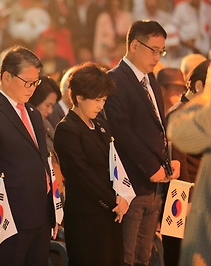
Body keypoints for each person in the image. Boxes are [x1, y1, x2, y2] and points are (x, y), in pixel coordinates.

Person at [103, 20, 180, 266]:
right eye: (153, 50)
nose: (158, 57)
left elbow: (159, 127)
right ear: (134, 45)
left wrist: (168, 162)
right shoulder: (115, 79)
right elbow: (121, 131)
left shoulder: (151, 79)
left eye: (162, 51)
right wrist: (150, 168)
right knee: (126, 257)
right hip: (131, 185)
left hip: (155, 184)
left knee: (143, 258)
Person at [0, 46, 56, 265]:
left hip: (39, 214)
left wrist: (52, 209)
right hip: (8, 218)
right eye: (27, 82)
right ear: (6, 77)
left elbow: (42, 162)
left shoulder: (32, 112)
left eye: (35, 82)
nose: (32, 88)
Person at [53, 62, 128, 265]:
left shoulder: (101, 124)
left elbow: (114, 163)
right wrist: (113, 202)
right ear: (79, 98)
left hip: (111, 213)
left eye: (103, 100)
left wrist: (123, 195)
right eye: (96, 100)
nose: (101, 105)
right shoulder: (67, 129)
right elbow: (82, 174)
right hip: (87, 215)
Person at [166, 62, 211, 266]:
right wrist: (188, 199)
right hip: (186, 196)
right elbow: (178, 158)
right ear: (200, 85)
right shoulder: (182, 112)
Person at [29, 76, 65, 199]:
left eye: (52, 106)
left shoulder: (46, 124)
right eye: (47, 105)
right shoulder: (28, 128)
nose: (50, 111)